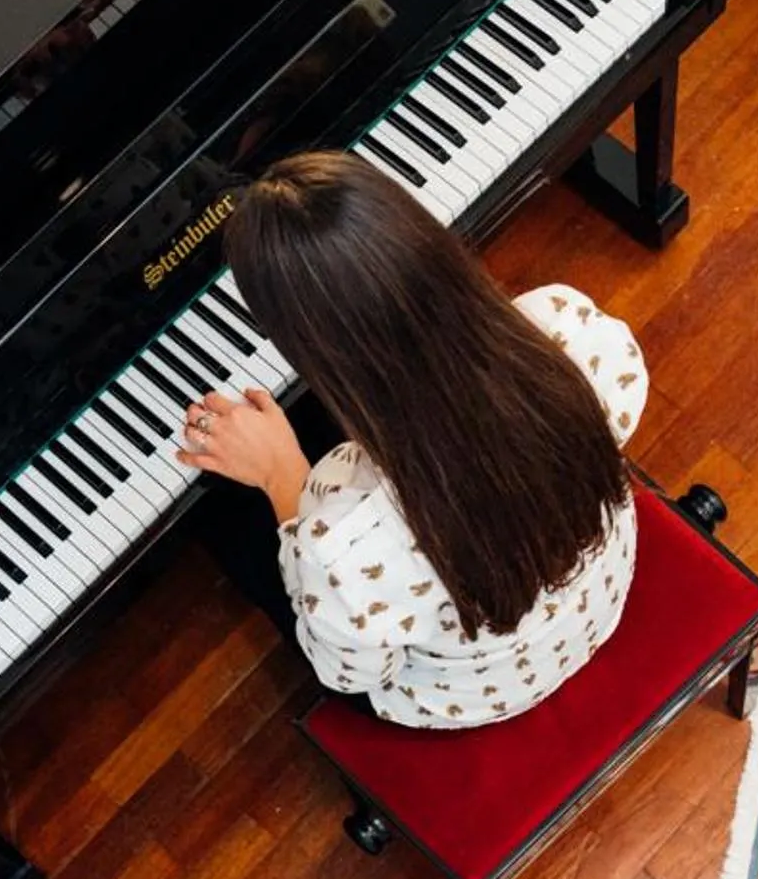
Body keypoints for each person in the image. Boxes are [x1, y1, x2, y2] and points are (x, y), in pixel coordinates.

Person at [176, 149, 647, 728]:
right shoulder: (569, 331)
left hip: (471, 694)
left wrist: (282, 479)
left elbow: (347, 672)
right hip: (602, 593)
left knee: (224, 516)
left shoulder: (341, 551)